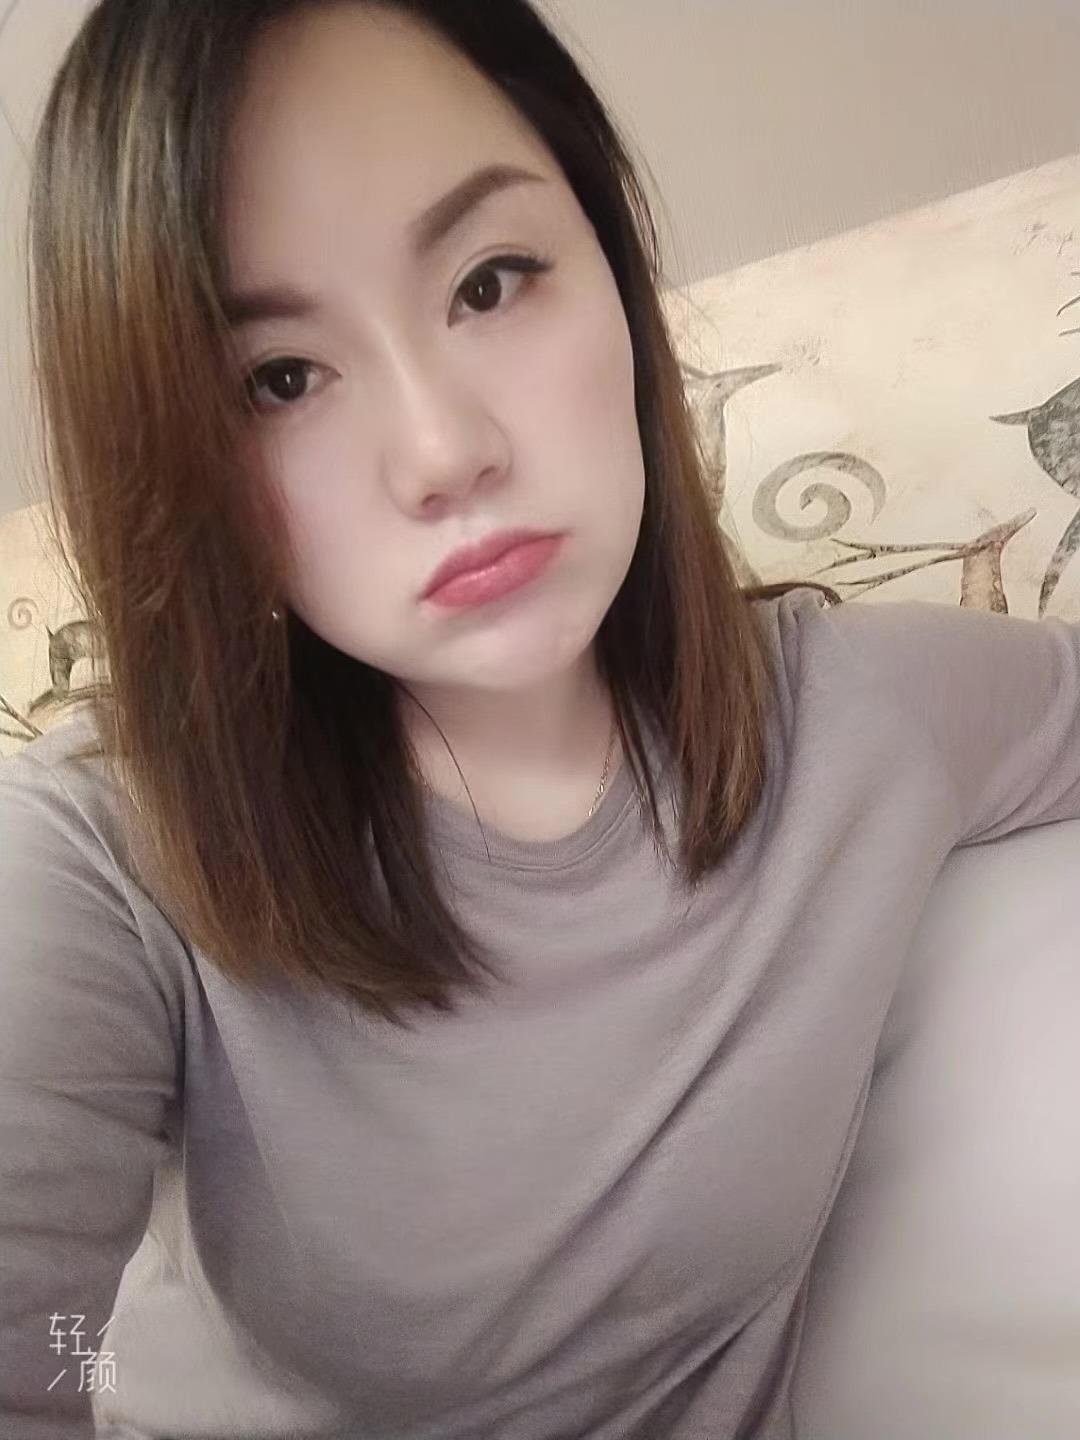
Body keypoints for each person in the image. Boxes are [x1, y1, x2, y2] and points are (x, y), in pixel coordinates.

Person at [1, 2, 1078, 1437]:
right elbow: (37, 1347)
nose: (444, 450)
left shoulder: (867, 718)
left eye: (490, 282)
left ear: (614, 272)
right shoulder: (102, 859)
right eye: (278, 380)